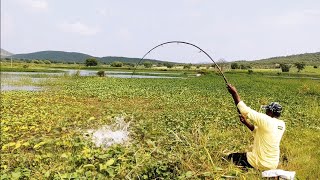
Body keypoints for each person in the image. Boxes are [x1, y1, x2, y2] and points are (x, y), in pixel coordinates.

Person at [226, 84, 286, 170]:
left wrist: (234, 93)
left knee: (231, 157)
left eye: (267, 110)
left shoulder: (266, 120)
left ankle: (249, 169)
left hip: (261, 163)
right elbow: (257, 131)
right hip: (273, 164)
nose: (266, 111)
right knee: (245, 155)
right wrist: (246, 122)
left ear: (271, 112)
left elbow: (244, 110)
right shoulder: (281, 125)